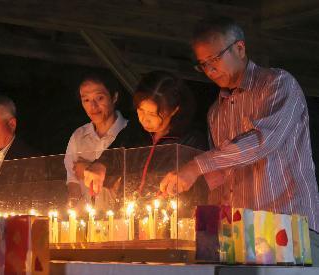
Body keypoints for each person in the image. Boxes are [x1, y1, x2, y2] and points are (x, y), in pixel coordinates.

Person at [159, 16, 319, 265]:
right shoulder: (217, 112)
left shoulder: (277, 85)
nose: (210, 70)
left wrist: (195, 167)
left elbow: (261, 142)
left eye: (214, 59)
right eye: (203, 64)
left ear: (240, 48)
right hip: (241, 234)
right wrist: (190, 190)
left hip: (287, 226)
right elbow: (222, 173)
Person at [83, 71, 207, 213]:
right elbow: (114, 155)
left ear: (174, 110)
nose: (144, 119)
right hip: (128, 217)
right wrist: (100, 165)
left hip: (169, 223)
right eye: (140, 110)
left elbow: (195, 190)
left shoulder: (191, 140)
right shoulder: (135, 131)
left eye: (153, 114)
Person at [64, 72, 128, 211]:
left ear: (114, 97)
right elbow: (73, 182)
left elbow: (130, 181)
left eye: (99, 98)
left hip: (122, 220)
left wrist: (88, 168)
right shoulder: (78, 136)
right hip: (88, 222)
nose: (93, 106)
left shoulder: (129, 135)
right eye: (86, 100)